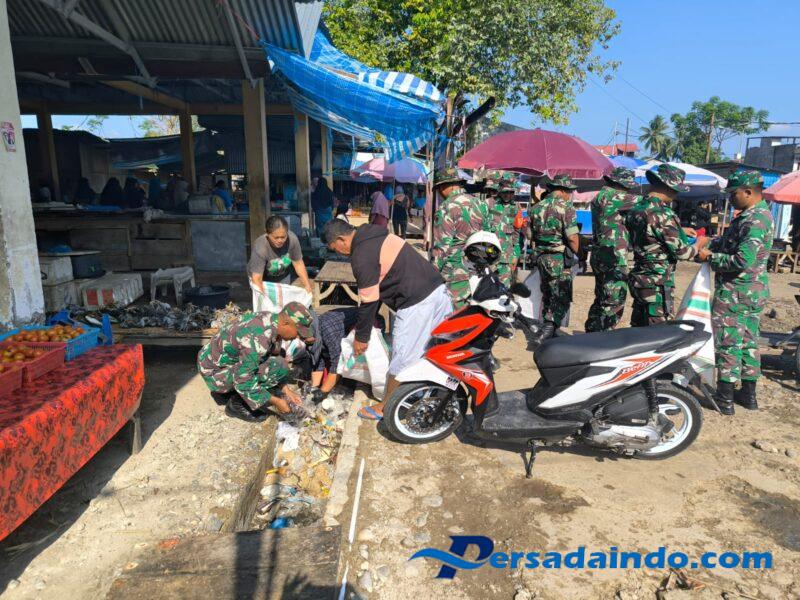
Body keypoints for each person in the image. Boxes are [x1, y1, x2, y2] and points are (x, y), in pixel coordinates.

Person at [323, 219, 452, 420]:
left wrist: (362, 337)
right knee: (433, 348)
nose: (339, 253)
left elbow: (369, 301)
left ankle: (386, 406)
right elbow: (379, 285)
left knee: (402, 356)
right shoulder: (375, 233)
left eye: (335, 249)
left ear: (341, 239)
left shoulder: (361, 256)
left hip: (417, 302)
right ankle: (430, 395)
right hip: (438, 291)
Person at [697, 171, 774, 415]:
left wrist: (710, 257)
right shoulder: (753, 216)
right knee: (749, 342)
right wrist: (710, 241)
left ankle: (725, 398)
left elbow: (742, 260)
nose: (731, 199)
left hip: (736, 292)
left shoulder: (755, 221)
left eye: (733, 194)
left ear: (748, 192)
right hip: (752, 292)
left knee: (729, 343)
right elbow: (731, 242)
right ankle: (748, 395)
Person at [197, 303, 314, 422]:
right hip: (213, 372)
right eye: (297, 332)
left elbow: (271, 352)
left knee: (280, 363)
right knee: (270, 369)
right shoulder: (258, 338)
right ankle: (236, 404)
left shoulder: (270, 319)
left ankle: (230, 391)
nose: (297, 337)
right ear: (286, 323)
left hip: (217, 361)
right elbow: (243, 380)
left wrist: (286, 391)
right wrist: (277, 402)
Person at [626, 164, 708, 327]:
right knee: (659, 333)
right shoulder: (663, 214)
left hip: (639, 279)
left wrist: (679, 230)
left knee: (639, 330)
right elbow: (683, 253)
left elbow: (650, 233)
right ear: (668, 187)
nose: (676, 194)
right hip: (657, 282)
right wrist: (699, 244)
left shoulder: (636, 209)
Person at [584, 167, 641, 332]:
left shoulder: (600, 196)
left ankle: (590, 334)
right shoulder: (613, 196)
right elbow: (649, 202)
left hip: (600, 253)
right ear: (621, 184)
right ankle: (603, 337)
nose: (628, 191)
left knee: (602, 297)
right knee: (614, 300)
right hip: (614, 255)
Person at [528, 174, 581, 339]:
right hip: (558, 258)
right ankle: (547, 330)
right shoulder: (566, 208)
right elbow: (572, 238)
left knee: (548, 293)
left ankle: (550, 329)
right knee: (561, 296)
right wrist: (577, 253)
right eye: (569, 191)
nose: (570, 195)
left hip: (542, 257)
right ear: (563, 190)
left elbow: (530, 235)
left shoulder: (536, 207)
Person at [431, 166, 490, 308]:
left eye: (440, 188)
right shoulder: (481, 204)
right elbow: (488, 236)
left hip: (455, 273)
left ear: (448, 186)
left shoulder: (447, 207)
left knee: (454, 314)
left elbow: (442, 247)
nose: (440, 192)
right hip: (479, 269)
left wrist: (431, 274)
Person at [249, 215, 313, 294]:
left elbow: (298, 264)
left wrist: (307, 286)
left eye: (283, 237)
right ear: (267, 234)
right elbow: (257, 278)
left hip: (283, 276)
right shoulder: (260, 247)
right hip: (262, 279)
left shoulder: (292, 239)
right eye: (276, 237)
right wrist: (263, 296)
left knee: (284, 298)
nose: (280, 240)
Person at [306, 307, 360, 397]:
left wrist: (323, 392)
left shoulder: (327, 329)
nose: (304, 340)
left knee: (352, 373)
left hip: (367, 327)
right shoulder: (312, 336)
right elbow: (318, 359)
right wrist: (313, 389)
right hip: (342, 336)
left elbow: (337, 363)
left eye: (304, 337)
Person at [492, 172, 521, 288]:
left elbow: (518, 235)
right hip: (491, 256)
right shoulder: (491, 206)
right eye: (505, 192)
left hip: (506, 258)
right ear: (500, 191)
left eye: (510, 192)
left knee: (504, 289)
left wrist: (516, 255)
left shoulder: (517, 209)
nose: (507, 195)